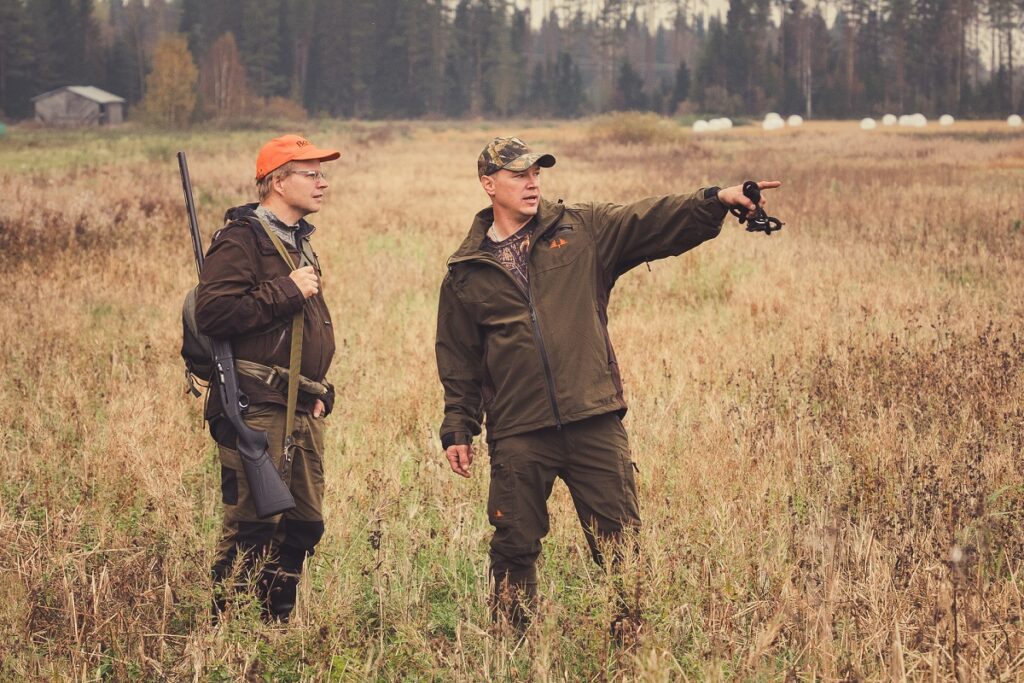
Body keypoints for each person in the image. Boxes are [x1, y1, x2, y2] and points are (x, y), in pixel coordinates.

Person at [434, 136, 781, 631]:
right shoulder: (466, 272)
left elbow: (651, 219)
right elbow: (458, 358)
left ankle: (632, 648)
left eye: (537, 173)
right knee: (513, 546)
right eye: (518, 175)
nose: (532, 183)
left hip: (591, 418)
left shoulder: (582, 229)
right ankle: (509, 648)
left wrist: (715, 200)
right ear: (489, 184)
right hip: (517, 429)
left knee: (621, 546)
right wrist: (458, 427)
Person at [196, 134, 339, 622]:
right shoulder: (243, 240)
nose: (323, 182)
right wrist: (286, 289)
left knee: (303, 524)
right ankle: (228, 634)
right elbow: (212, 313)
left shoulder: (296, 241)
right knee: (255, 525)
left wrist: (318, 392)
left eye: (322, 173)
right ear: (277, 181)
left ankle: (273, 625)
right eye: (311, 172)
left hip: (299, 405)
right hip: (256, 405)